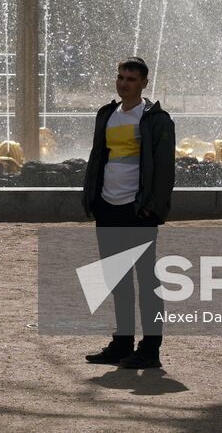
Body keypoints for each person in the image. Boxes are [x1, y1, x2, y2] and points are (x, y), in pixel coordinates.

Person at [80, 56, 176, 369]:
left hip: (138, 210)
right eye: (120, 77)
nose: (124, 83)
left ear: (144, 83)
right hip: (108, 206)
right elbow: (99, 158)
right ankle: (122, 343)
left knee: (147, 280)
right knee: (117, 279)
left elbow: (164, 172)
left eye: (131, 79)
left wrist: (153, 208)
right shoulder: (107, 114)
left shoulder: (157, 120)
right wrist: (92, 198)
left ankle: (151, 348)